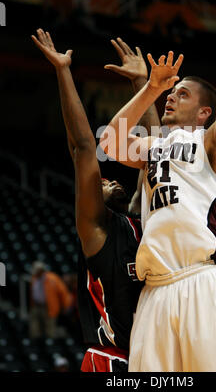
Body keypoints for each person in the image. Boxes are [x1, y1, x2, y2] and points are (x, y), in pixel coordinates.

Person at [100, 0, 216, 372]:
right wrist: (149, 88)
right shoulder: (156, 144)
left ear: (205, 113)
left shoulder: (214, 145)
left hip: (201, 281)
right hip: (154, 290)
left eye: (183, 94)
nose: (172, 96)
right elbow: (110, 143)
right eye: (173, 92)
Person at [31, 31, 160, 372]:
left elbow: (159, 154)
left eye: (109, 178)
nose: (108, 179)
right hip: (113, 359)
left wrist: (145, 85)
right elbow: (85, 148)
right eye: (100, 183)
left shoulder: (144, 219)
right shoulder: (96, 231)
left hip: (158, 359)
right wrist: (63, 71)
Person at [29, 260, 73, 339]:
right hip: (36, 306)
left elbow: (63, 292)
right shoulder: (34, 278)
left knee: (50, 331)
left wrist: (66, 306)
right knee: (35, 330)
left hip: (49, 307)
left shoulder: (52, 278)